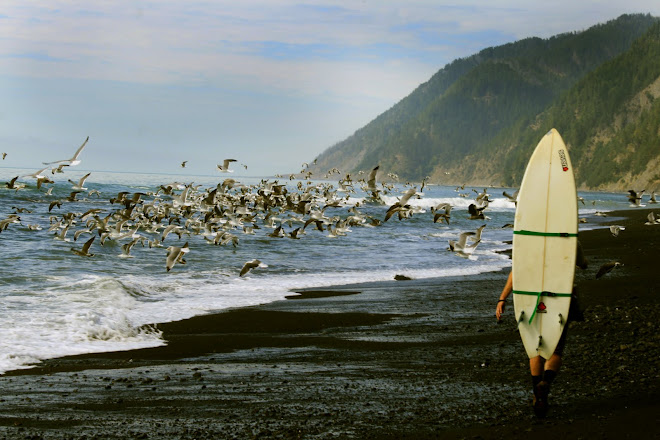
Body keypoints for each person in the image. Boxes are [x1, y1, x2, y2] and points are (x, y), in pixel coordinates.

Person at [496, 242, 587, 417]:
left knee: (535, 349)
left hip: (531, 300)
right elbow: (582, 264)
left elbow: (517, 272)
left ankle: (536, 393)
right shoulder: (571, 239)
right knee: (555, 350)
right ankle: (545, 382)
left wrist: (502, 299)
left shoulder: (528, 240)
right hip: (561, 300)